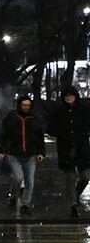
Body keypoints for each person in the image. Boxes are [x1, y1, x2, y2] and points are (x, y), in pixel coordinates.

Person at [0, 96, 46, 216]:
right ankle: (14, 195)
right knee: (18, 178)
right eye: (24, 105)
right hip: (14, 153)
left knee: (29, 181)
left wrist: (41, 152)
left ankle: (25, 204)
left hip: (30, 154)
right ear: (19, 105)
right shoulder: (11, 118)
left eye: (28, 105)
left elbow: (39, 137)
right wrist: (1, 150)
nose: (26, 107)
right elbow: (3, 135)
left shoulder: (34, 119)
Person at [50, 88, 90, 218]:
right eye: (67, 96)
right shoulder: (59, 111)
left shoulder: (83, 109)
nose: (69, 98)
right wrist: (61, 133)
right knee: (70, 177)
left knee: (85, 176)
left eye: (71, 96)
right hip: (66, 147)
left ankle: (75, 196)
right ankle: (73, 204)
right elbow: (51, 128)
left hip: (82, 147)